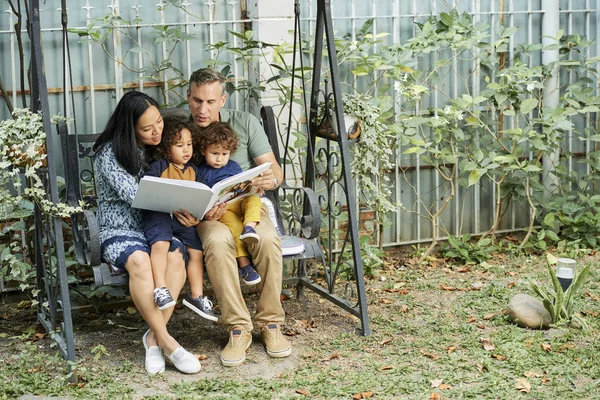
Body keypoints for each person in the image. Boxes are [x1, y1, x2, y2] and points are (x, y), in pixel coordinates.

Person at [185, 68, 290, 367]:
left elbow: (274, 170)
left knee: (268, 239)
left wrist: (271, 180)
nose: (202, 109)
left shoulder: (244, 122)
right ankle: (238, 326)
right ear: (187, 97)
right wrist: (197, 209)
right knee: (218, 242)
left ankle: (270, 323)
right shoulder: (180, 130)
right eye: (196, 101)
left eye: (209, 101)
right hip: (207, 214)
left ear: (222, 99)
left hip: (246, 207)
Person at [93, 91, 201, 375]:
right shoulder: (109, 153)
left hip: (153, 227)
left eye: (158, 123)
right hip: (118, 230)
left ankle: (151, 338)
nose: (156, 131)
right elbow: (135, 195)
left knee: (177, 255)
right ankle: (167, 342)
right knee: (140, 260)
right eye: (147, 128)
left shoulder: (156, 148)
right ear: (130, 128)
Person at [142, 116, 217, 321]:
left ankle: (197, 295)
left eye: (189, 145)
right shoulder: (159, 167)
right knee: (161, 243)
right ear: (167, 149)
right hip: (159, 215)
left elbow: (202, 195)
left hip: (184, 219)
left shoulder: (194, 171)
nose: (186, 150)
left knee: (196, 251)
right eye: (179, 145)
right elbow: (148, 189)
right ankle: (160, 288)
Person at [196, 121, 263, 286]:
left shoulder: (234, 167)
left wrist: (252, 187)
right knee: (234, 228)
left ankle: (250, 226)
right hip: (223, 209)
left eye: (224, 154)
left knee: (254, 200)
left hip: (239, 200)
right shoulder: (201, 171)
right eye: (215, 153)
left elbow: (242, 185)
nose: (220, 159)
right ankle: (244, 265)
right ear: (204, 151)